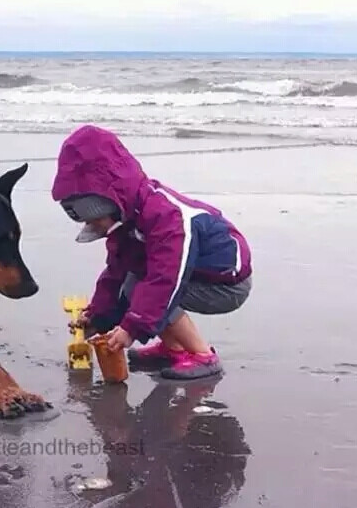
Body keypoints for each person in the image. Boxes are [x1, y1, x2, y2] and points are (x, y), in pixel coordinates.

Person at [51, 124, 252, 380]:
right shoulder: (124, 222)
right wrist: (98, 317)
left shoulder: (165, 216)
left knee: (146, 289)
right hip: (187, 273)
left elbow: (167, 279)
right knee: (135, 281)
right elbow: (116, 273)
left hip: (227, 282)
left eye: (96, 221)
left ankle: (203, 356)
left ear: (110, 202)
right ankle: (173, 348)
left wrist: (131, 329)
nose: (96, 228)